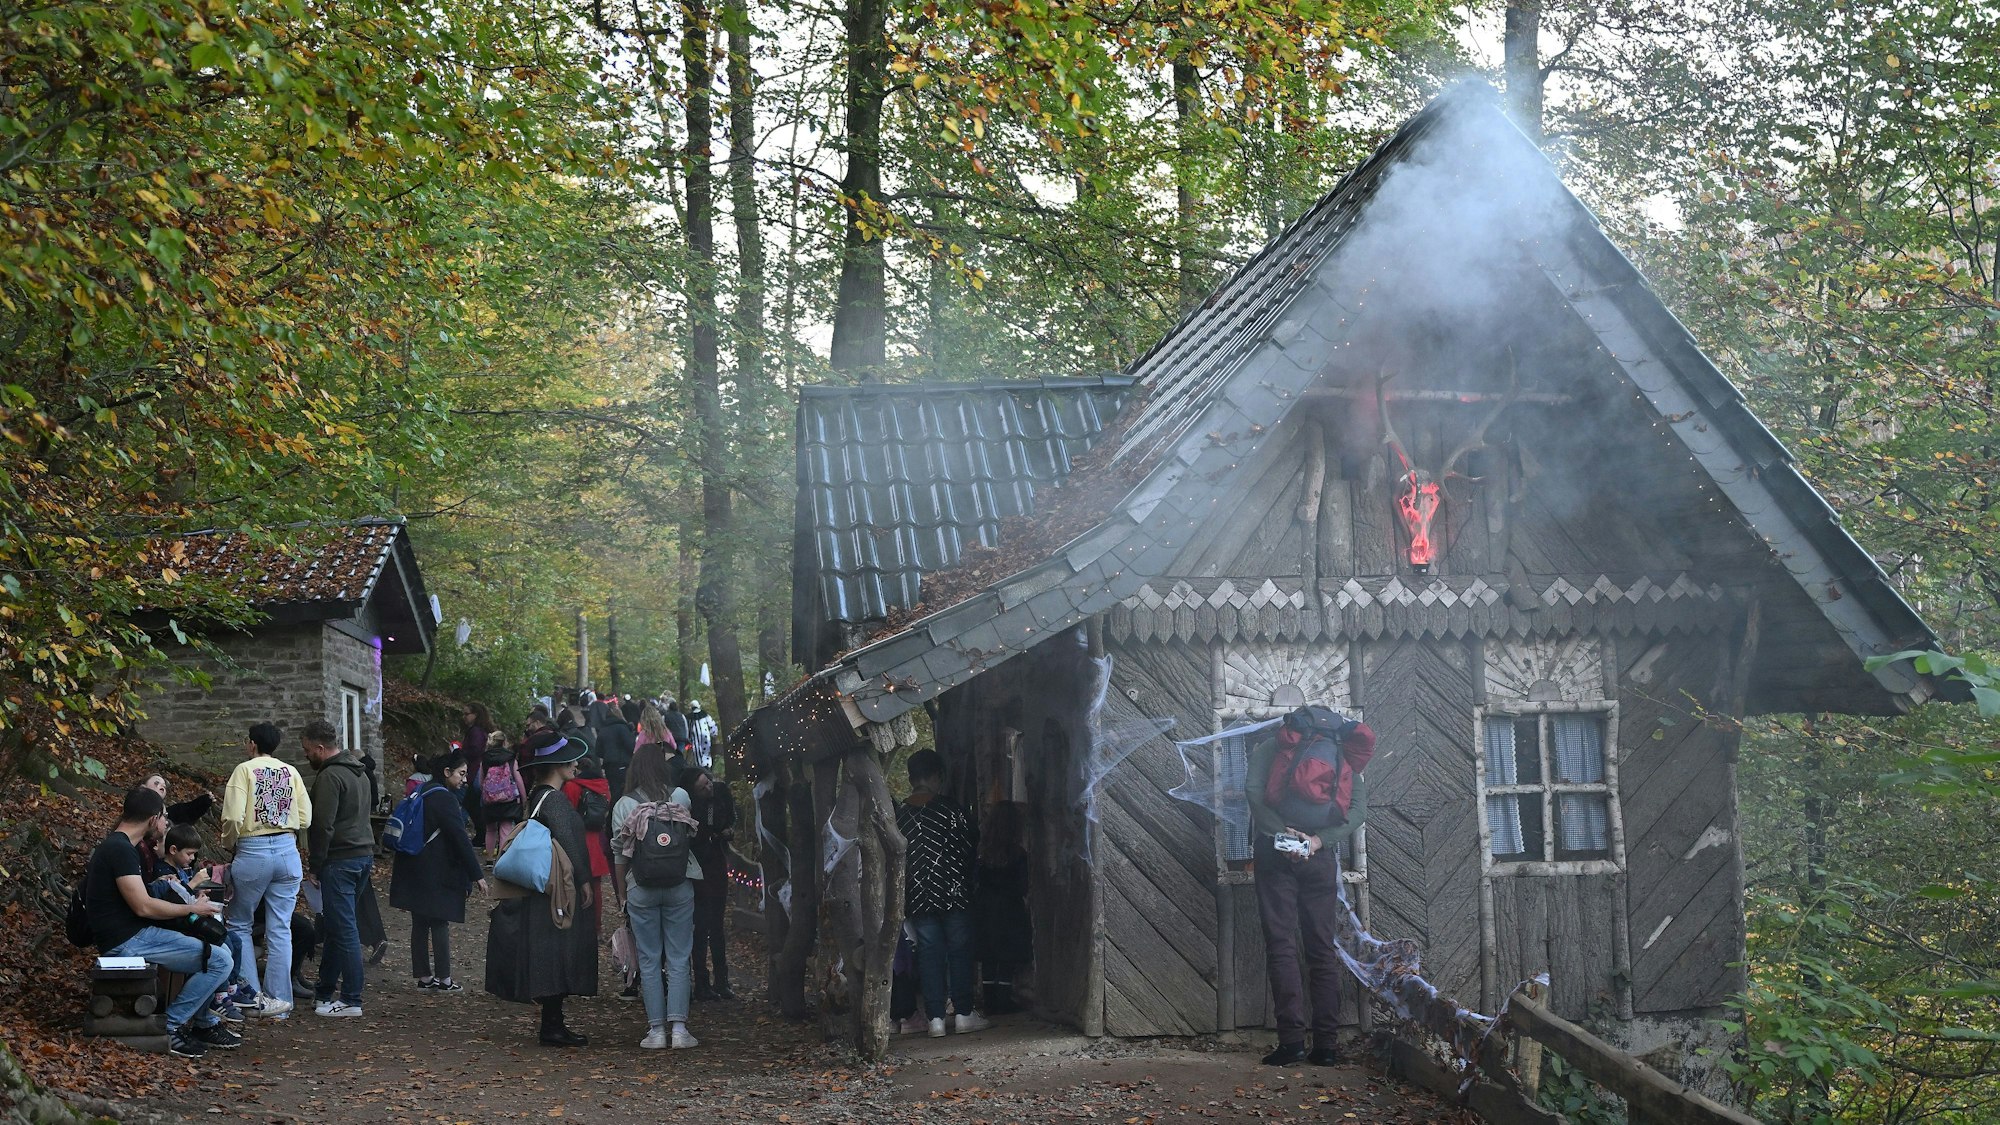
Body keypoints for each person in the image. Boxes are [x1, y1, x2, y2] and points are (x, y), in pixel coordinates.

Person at [1246, 705, 1375, 1067]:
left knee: (1282, 945)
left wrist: (1282, 835)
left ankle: (1291, 1044)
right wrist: (1317, 841)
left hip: (1275, 853)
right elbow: (1358, 810)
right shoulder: (1340, 749)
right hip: (1319, 856)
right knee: (1321, 949)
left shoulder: (1273, 746)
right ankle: (1327, 1046)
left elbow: (1253, 791)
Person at [85, 786, 238, 1059]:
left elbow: (135, 898)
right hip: (127, 942)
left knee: (220, 950)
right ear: (153, 818)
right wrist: (191, 908)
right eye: (164, 817)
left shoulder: (122, 847)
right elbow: (143, 906)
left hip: (134, 934)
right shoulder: (119, 849)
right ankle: (170, 1026)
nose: (166, 823)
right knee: (220, 961)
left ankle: (201, 1023)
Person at [485, 729, 599, 1047]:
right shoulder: (556, 800)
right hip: (555, 888)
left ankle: (553, 1023)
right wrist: (584, 881)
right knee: (556, 952)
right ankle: (552, 1026)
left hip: (541, 886)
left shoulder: (537, 797)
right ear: (557, 765)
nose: (575, 765)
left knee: (549, 951)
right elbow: (570, 842)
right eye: (570, 761)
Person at [219, 721, 312, 1019]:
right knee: (280, 928)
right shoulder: (291, 772)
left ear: (251, 744)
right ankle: (280, 1003)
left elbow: (233, 817)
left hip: (253, 849)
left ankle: (252, 999)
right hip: (287, 850)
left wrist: (229, 843)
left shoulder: (244, 771)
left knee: (239, 924)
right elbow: (305, 818)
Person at [611, 743, 700, 1049]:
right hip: (679, 884)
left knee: (648, 959)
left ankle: (656, 1032)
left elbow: (619, 854)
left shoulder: (624, 805)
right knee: (679, 956)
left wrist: (622, 894)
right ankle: (680, 1030)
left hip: (641, 887)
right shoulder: (681, 797)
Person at [896, 749, 988, 1036]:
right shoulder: (951, 810)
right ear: (937, 776)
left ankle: (935, 1018)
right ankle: (963, 1014)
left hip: (917, 897)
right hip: (954, 893)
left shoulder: (899, 815)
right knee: (959, 951)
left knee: (928, 953)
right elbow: (971, 845)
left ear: (911, 778)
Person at [390, 752, 488, 992]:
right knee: (439, 921)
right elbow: (460, 838)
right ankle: (445, 979)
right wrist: (477, 875)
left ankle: (424, 977)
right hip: (435, 868)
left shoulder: (421, 790)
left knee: (419, 922)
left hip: (413, 864)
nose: (464, 779)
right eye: (461, 774)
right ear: (446, 772)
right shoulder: (445, 799)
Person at [302, 718, 373, 1017]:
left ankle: (351, 999)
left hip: (340, 860)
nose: (306, 755)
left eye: (307, 750)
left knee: (344, 930)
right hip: (361, 856)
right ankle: (324, 992)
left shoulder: (330, 777)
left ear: (320, 748)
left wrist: (315, 865)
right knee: (335, 925)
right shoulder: (360, 773)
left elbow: (323, 825)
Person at [682, 766, 736, 1001]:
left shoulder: (721, 793)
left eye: (708, 782)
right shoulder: (691, 805)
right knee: (700, 925)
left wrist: (726, 830)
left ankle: (722, 980)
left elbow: (729, 818)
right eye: (703, 787)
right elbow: (697, 833)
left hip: (716, 862)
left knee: (717, 925)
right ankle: (701, 981)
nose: (709, 787)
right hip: (698, 865)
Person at [974, 801, 1031, 1015]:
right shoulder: (1018, 854)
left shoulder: (982, 853)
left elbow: (977, 879)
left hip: (986, 908)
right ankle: (1004, 1000)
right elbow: (1023, 886)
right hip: (1009, 909)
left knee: (989, 956)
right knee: (1007, 956)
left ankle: (990, 1001)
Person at [560, 757, 613, 929]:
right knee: (596, 887)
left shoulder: (572, 786)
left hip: (578, 839)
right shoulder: (603, 787)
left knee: (573, 884)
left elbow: (567, 813)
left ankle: (577, 926)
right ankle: (596, 927)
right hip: (597, 840)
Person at [480, 735, 524, 858]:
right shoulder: (510, 758)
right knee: (505, 828)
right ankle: (501, 858)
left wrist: (486, 794)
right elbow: (518, 780)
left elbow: (481, 781)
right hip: (508, 800)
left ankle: (489, 858)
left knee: (490, 829)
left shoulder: (485, 759)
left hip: (489, 800)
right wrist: (523, 798)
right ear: (504, 742)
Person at [595, 701, 637, 801]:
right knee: (627, 792)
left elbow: (598, 751)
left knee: (614, 792)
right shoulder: (622, 728)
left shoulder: (603, 730)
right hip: (624, 764)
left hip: (609, 766)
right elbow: (632, 746)